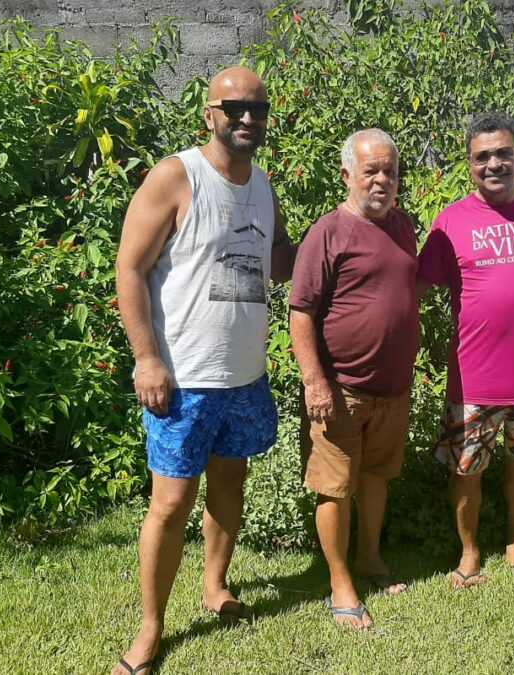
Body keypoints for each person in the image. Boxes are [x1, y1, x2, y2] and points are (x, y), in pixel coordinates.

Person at [112, 66, 294, 675]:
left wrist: (344, 233)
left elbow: (280, 262)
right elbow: (130, 269)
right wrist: (146, 359)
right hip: (182, 376)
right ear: (209, 113)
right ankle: (151, 627)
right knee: (170, 504)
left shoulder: (264, 185)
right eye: (234, 107)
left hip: (243, 373)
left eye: (258, 109)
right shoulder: (176, 176)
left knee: (230, 484)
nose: (247, 118)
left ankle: (215, 587)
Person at [418, 112, 514, 589]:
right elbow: (417, 287)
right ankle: (469, 552)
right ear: (469, 165)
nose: (494, 164)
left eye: (504, 153)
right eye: (482, 157)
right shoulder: (450, 221)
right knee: (467, 469)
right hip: (473, 375)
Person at [289, 129, 419, 630]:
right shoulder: (328, 232)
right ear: (347, 175)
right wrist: (314, 382)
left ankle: (369, 559)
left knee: (376, 477)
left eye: (390, 170)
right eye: (371, 171)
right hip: (340, 388)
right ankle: (340, 581)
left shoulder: (403, 226)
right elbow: (301, 312)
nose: (383, 180)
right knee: (335, 487)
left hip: (391, 388)